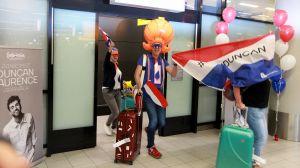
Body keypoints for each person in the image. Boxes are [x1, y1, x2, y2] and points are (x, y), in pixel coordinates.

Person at [134, 42, 177, 159]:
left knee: (162, 123)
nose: (157, 48)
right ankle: (151, 146)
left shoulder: (164, 61)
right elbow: (136, 74)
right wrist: (139, 87)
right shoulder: (144, 58)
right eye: (154, 46)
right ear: (151, 47)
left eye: (159, 46)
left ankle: (149, 130)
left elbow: (173, 74)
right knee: (154, 121)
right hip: (148, 95)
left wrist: (177, 64)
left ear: (161, 48)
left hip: (159, 95)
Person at [233, 79, 271, 168]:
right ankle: (254, 163)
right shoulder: (250, 69)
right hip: (253, 108)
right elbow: (236, 84)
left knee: (261, 137)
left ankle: (249, 160)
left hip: (262, 108)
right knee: (260, 137)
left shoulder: (263, 70)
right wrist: (239, 102)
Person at [2, 95, 37, 162]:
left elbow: (33, 134)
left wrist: (33, 150)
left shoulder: (29, 117)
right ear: (10, 112)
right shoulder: (6, 130)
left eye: (17, 105)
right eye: (12, 107)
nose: (15, 108)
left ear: (20, 105)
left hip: (30, 158)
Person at [102, 44, 123, 136]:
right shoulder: (108, 65)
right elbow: (106, 60)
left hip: (117, 91)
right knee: (115, 112)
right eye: (113, 55)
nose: (116, 57)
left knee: (119, 111)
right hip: (108, 91)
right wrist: (109, 51)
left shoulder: (116, 65)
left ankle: (114, 127)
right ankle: (107, 125)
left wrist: (123, 85)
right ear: (110, 55)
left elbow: (117, 78)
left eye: (117, 55)